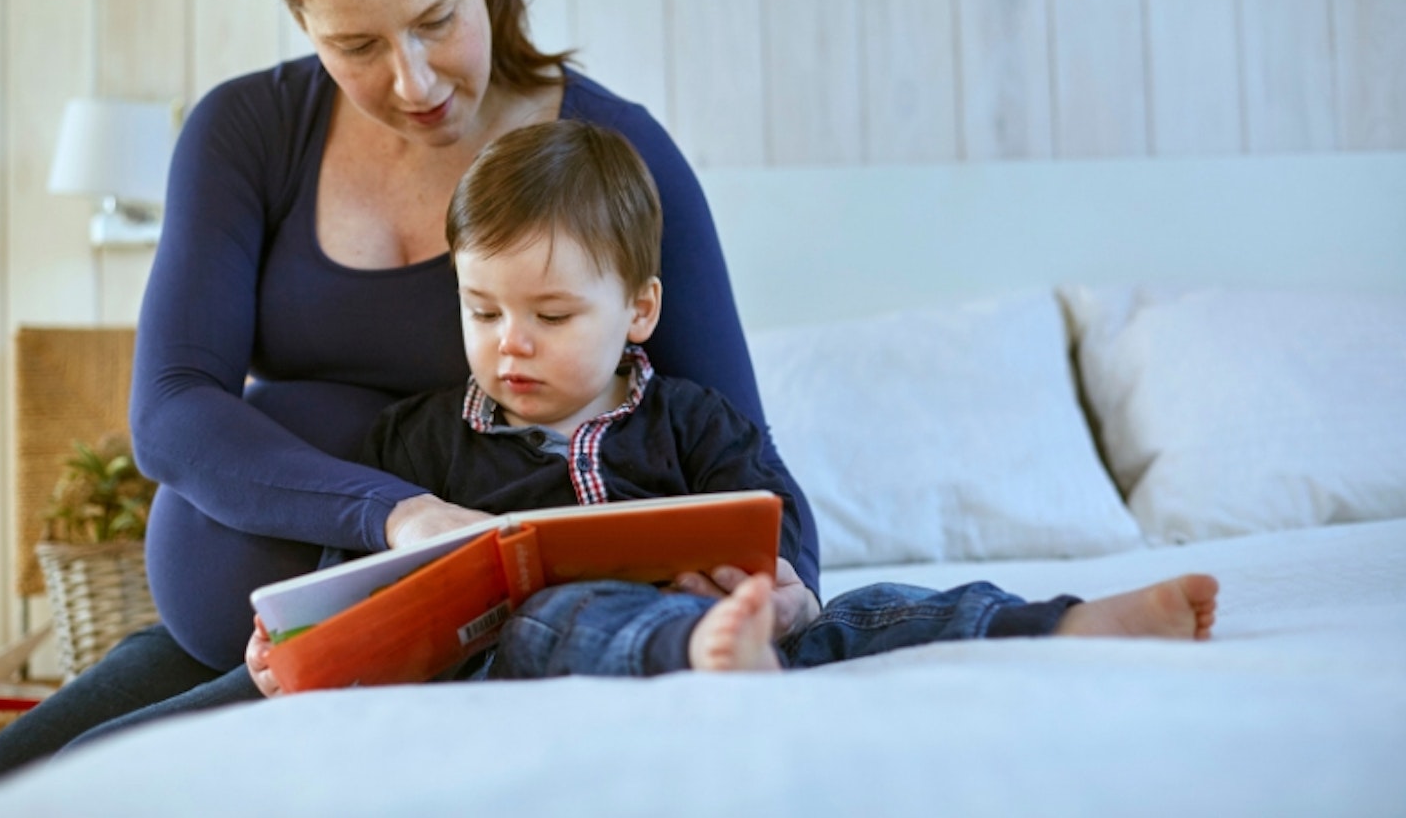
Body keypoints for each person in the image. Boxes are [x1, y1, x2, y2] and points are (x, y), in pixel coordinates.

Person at [0, 0, 818, 788]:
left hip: (433, 641)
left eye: (437, 20)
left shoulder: (608, 158)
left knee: (84, 783)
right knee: (1, 776)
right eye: (356, 46)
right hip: (235, 637)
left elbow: (741, 459)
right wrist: (399, 516)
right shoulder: (246, 133)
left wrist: (783, 592)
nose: (411, 82)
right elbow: (170, 409)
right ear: (300, 19)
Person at [243, 119, 1217, 694]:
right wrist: (298, 641)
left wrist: (784, 584)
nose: (511, 339)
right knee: (549, 611)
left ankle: (1065, 622)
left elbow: (771, 514)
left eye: (550, 312)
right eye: (483, 308)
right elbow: (356, 574)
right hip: (538, 641)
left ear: (639, 310)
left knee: (871, 611)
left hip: (740, 614)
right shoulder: (424, 437)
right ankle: (704, 655)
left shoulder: (693, 420)